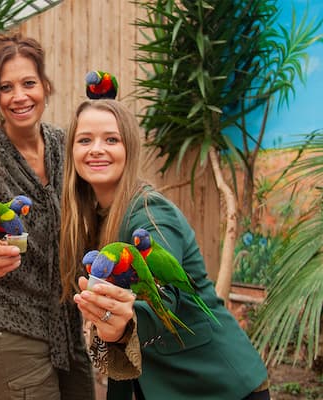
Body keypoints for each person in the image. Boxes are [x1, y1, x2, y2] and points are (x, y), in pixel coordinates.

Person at [59, 98, 270, 400]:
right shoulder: (95, 216)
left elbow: (165, 294)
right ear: (72, 152)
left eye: (111, 139)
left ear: (128, 149)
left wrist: (125, 322)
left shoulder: (150, 213)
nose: (96, 148)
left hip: (218, 384)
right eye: (84, 140)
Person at [0, 31, 95, 400]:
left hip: (65, 328)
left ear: (45, 85)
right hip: (9, 331)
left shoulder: (66, 146)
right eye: (6, 87)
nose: (19, 96)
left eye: (28, 83)